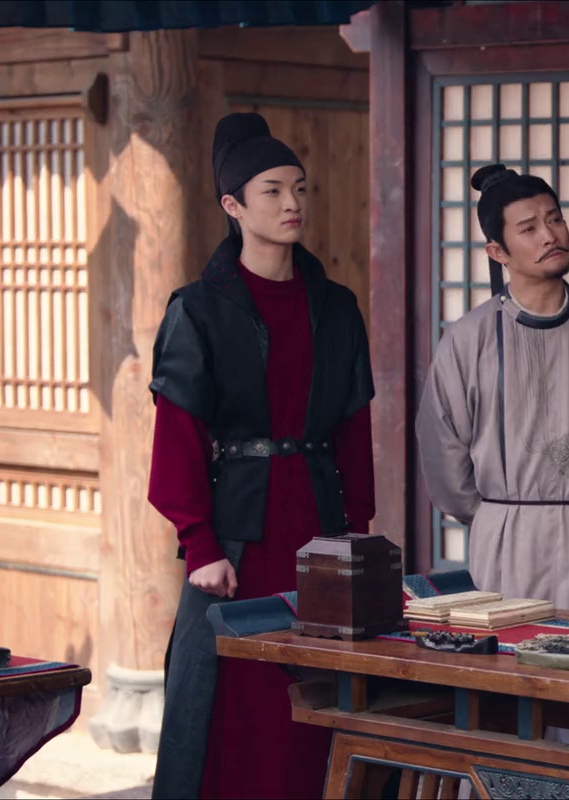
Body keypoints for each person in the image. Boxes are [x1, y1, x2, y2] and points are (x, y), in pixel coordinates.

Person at [149, 113, 375, 799]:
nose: (292, 203)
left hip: (319, 530)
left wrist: (357, 532)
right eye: (272, 191)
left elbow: (353, 431)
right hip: (237, 541)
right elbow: (178, 436)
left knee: (318, 698)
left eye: (299, 189)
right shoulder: (198, 309)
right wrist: (199, 543)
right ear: (233, 206)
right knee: (233, 701)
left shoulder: (336, 307)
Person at [415, 164, 569, 611]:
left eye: (555, 219)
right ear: (497, 251)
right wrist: (507, 514)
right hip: (510, 543)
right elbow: (447, 468)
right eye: (529, 228)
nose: (550, 236)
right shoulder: (467, 339)